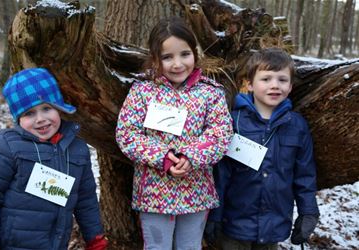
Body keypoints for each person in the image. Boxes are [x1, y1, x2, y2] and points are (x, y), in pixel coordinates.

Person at [115, 17, 233, 250]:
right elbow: (127, 134)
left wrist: (191, 157)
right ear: (155, 58)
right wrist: (165, 157)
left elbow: (220, 133)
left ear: (195, 53)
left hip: (196, 191)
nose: (177, 64)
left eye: (184, 54)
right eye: (167, 57)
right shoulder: (142, 91)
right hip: (154, 194)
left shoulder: (210, 93)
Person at [205, 47, 320, 250]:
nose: (274, 85)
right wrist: (214, 214)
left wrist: (308, 212)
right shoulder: (233, 122)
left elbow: (305, 175)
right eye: (266, 79)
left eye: (282, 79)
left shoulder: (297, 126)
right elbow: (220, 174)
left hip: (274, 225)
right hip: (234, 224)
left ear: (291, 86)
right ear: (249, 84)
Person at [0, 68, 108, 250]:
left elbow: (85, 199)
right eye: (29, 113)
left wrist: (95, 237)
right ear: (18, 118)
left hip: (56, 242)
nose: (40, 119)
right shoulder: (8, 146)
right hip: (13, 244)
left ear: (58, 107)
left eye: (46, 108)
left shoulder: (76, 149)